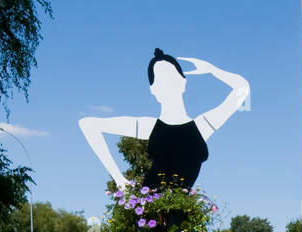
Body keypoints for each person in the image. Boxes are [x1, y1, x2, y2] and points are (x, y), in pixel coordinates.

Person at [78, 49, 249, 192]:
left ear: (183, 82)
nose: (168, 83)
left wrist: (212, 69)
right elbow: (87, 124)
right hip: (150, 214)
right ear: (153, 90)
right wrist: (118, 178)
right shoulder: (148, 127)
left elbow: (242, 88)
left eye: (172, 76)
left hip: (184, 214)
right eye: (161, 79)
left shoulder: (203, 126)